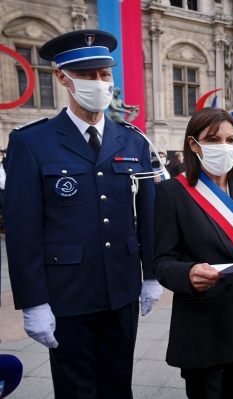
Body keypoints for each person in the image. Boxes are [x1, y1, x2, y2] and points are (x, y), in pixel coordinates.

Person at [4, 29, 162, 398]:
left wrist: (152, 274)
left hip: (121, 291)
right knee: (77, 390)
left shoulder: (133, 141)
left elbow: (148, 213)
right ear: (63, 77)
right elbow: (23, 228)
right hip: (67, 296)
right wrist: (33, 302)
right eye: (87, 75)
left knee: (119, 385)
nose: (99, 83)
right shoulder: (31, 142)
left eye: (105, 75)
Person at [153, 108, 233, 399]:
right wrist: (188, 274)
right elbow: (162, 261)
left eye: (230, 140)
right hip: (205, 326)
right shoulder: (172, 193)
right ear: (194, 144)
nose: (224, 147)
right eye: (213, 139)